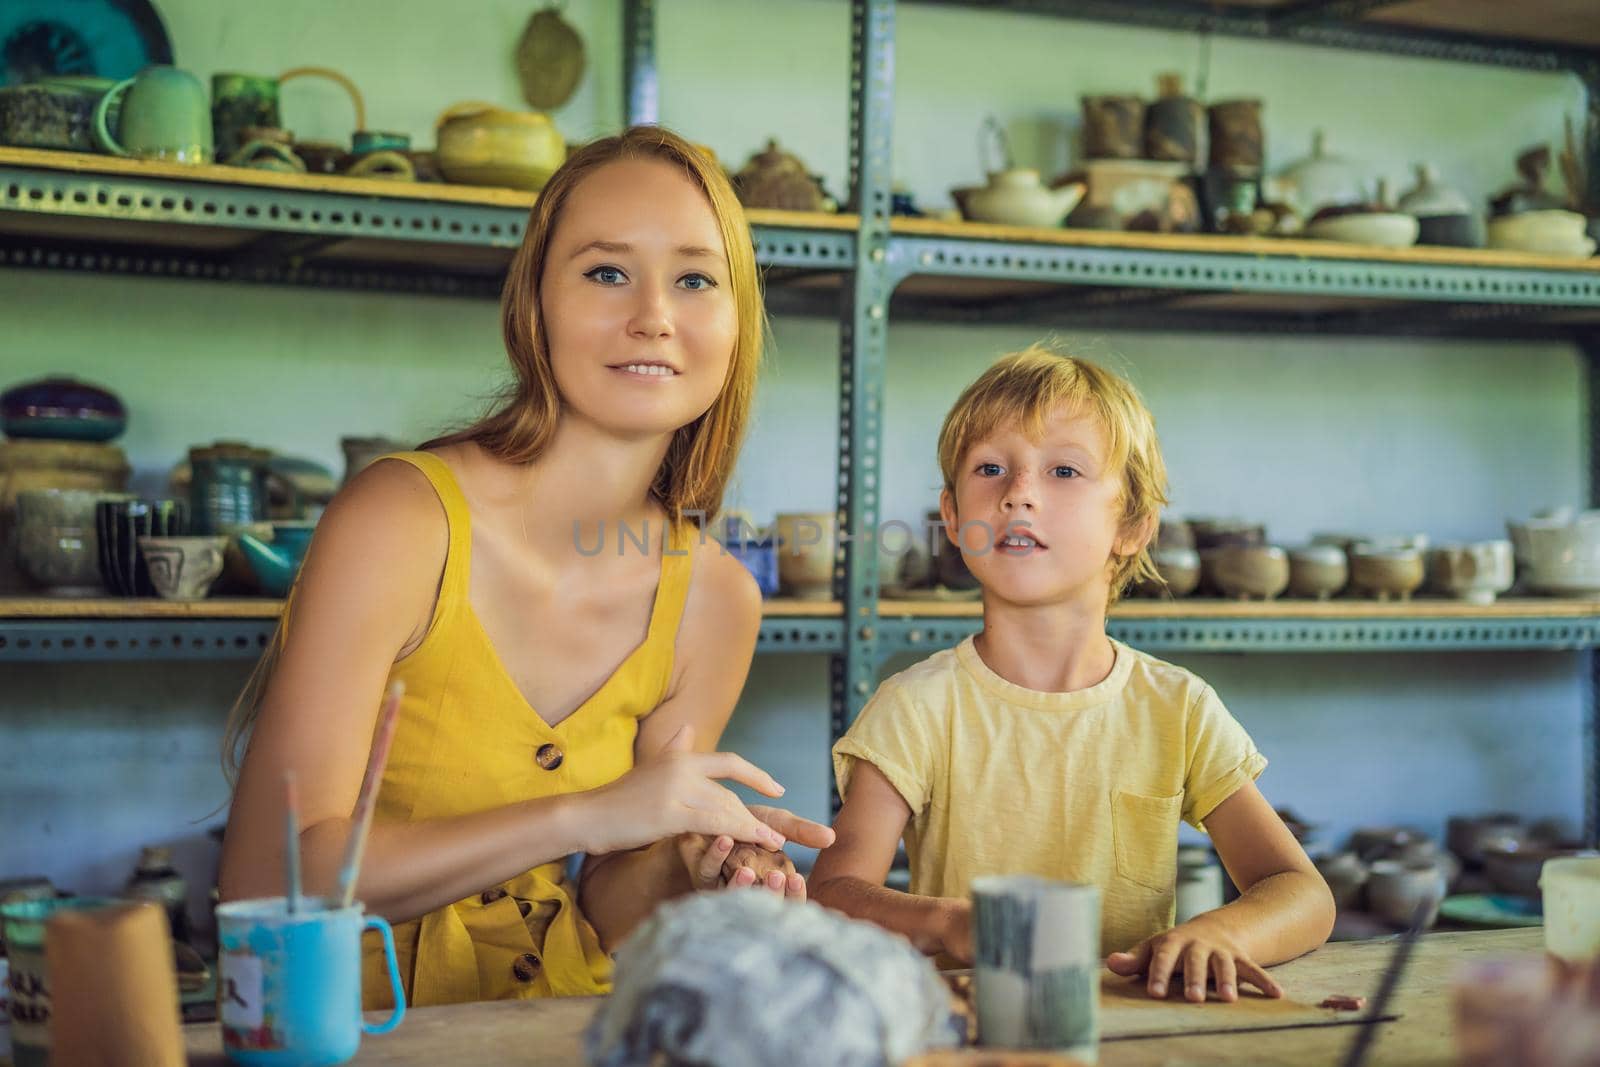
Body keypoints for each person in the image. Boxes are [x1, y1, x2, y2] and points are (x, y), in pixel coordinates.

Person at [218, 126, 833, 1009]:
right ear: (534, 303)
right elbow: (263, 878)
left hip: (564, 1026)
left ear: (736, 327)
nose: (654, 313)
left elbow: (613, 907)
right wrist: (587, 814)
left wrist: (697, 866)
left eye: (696, 279)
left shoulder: (716, 600)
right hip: (350, 1028)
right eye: (606, 271)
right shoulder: (401, 519)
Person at [810, 345, 1333, 1003]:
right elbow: (829, 894)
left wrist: (1224, 933)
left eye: (1063, 470)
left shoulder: (1178, 707)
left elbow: (1303, 891)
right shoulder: (915, 706)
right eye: (991, 468)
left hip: (1141, 1037)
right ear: (952, 517)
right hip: (973, 1036)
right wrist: (947, 921)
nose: (1018, 493)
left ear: (1134, 525)